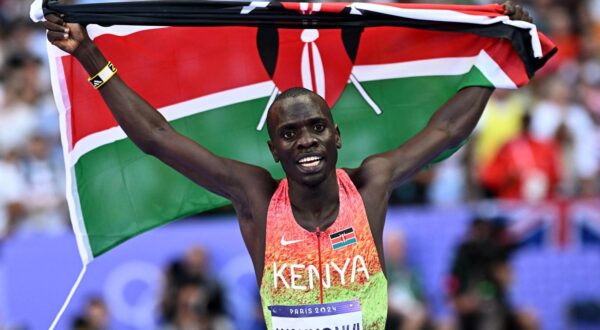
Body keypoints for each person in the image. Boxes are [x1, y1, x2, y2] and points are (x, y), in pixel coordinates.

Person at [43, 3, 532, 329]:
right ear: (273, 149)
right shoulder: (254, 195)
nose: (306, 141)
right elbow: (156, 138)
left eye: (316, 127)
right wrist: (88, 54)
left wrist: (498, 56)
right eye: (290, 134)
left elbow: (446, 131)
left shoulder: (371, 185)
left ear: (337, 135)